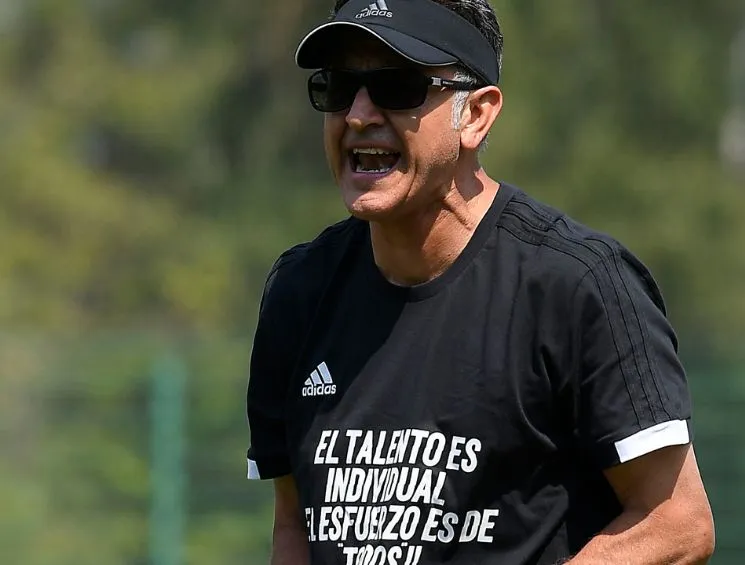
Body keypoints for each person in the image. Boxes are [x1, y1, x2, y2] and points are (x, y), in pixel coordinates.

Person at [245, 0, 716, 563]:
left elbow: (677, 523)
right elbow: (293, 527)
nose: (358, 114)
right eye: (339, 87)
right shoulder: (299, 293)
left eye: (397, 87)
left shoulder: (578, 285)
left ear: (476, 116)